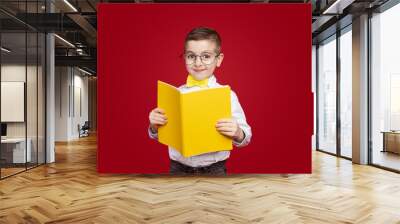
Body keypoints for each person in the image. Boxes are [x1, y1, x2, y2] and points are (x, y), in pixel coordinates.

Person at [148, 27, 252, 175]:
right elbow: (161, 134)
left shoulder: (227, 95)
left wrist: (237, 132)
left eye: (206, 56)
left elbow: (246, 136)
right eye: (191, 56)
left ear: (219, 59)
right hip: (178, 168)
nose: (198, 63)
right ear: (185, 58)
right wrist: (154, 126)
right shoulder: (175, 94)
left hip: (215, 169)